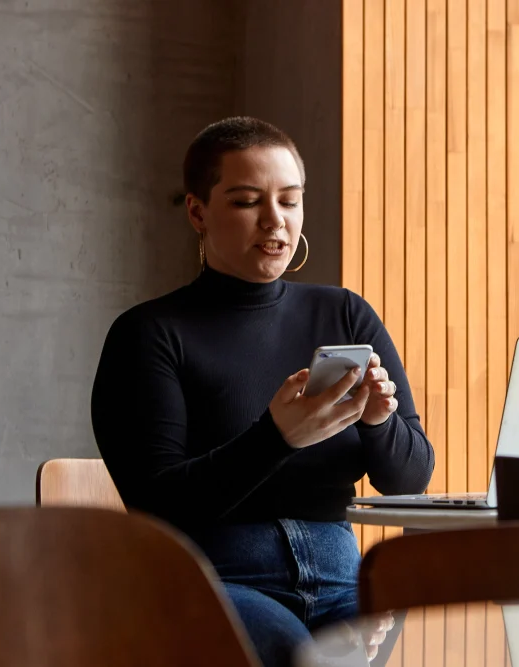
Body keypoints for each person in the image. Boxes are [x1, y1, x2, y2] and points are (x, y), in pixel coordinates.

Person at [90, 116, 434, 666]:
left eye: (290, 201)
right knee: (298, 654)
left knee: (436, 635)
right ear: (199, 211)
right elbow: (157, 504)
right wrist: (277, 438)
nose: (275, 221)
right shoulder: (149, 334)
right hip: (220, 575)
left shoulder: (344, 313)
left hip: (342, 573)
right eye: (247, 201)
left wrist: (377, 422)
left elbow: (410, 479)